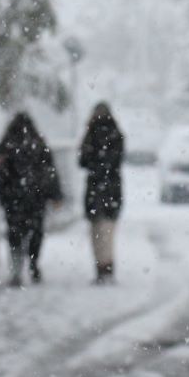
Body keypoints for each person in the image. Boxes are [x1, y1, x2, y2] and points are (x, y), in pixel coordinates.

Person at [0, 113, 62, 288]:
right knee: (35, 232)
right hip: (36, 197)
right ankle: (34, 263)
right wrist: (55, 195)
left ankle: (16, 270)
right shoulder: (39, 145)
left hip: (12, 198)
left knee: (15, 234)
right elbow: (50, 172)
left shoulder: (6, 146)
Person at [79, 103, 125, 283]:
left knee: (97, 232)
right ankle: (107, 268)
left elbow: (82, 161)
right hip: (112, 189)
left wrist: (94, 163)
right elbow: (115, 161)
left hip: (96, 189)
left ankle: (101, 268)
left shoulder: (90, 135)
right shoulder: (116, 134)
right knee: (107, 231)